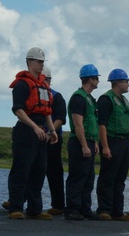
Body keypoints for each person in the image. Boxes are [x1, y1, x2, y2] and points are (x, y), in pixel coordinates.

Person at [7, 47, 58, 220]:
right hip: (26, 130)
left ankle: (35, 209)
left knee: (39, 170)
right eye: (38, 62)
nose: (41, 65)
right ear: (29, 62)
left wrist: (52, 129)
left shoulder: (43, 86)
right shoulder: (22, 84)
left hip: (41, 132)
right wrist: (34, 127)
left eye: (43, 62)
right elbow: (18, 110)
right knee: (21, 170)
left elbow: (47, 111)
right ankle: (15, 207)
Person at [96, 68, 129, 221]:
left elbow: (128, 124)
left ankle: (117, 210)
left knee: (120, 178)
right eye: (126, 81)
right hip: (112, 140)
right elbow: (102, 125)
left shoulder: (124, 101)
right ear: (118, 82)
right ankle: (104, 209)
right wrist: (105, 146)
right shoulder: (106, 99)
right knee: (108, 176)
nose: (128, 85)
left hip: (124, 141)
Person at [64, 64, 100, 221]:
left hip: (90, 141)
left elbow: (92, 123)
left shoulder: (90, 99)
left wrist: (94, 143)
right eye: (96, 78)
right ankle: (72, 209)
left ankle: (85, 208)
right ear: (90, 80)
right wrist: (84, 144)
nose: (98, 81)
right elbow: (78, 124)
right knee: (77, 176)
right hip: (79, 142)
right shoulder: (78, 98)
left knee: (88, 177)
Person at [43, 67, 67, 215]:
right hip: (38, 136)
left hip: (53, 139)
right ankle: (18, 200)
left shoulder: (57, 96)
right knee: (29, 170)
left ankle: (58, 205)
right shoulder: (34, 94)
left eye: (46, 79)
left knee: (54, 172)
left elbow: (61, 118)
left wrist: (50, 132)